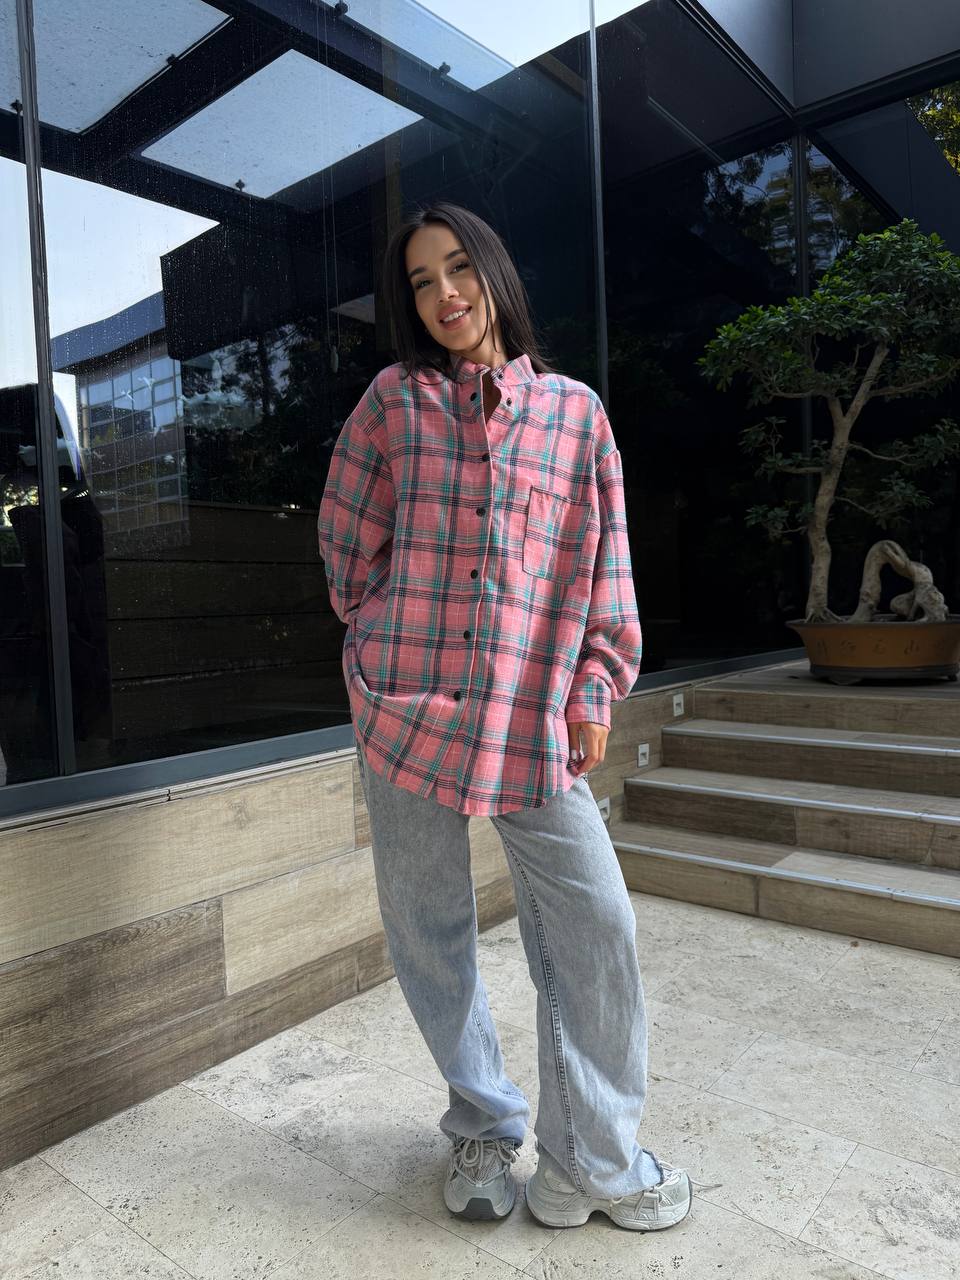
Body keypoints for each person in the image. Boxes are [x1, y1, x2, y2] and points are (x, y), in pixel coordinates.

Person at [317, 201, 698, 1232]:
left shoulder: (575, 416)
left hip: (531, 719)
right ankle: (482, 1124)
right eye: (421, 281)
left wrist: (594, 688)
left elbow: (604, 568)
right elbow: (345, 545)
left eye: (457, 268)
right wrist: (381, 638)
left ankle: (589, 1161)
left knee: (595, 922)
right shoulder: (393, 404)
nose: (444, 293)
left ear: (492, 271)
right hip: (406, 711)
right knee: (429, 928)